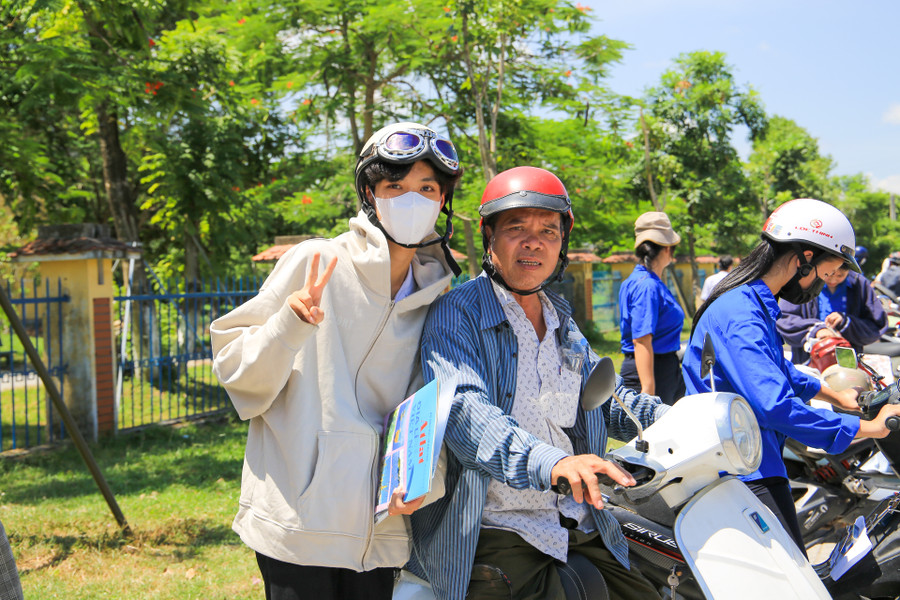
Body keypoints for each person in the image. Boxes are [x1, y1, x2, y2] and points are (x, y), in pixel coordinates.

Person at [210, 121, 462, 600]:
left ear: (442, 200)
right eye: (396, 186)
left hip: (382, 528)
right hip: (298, 524)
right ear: (370, 192)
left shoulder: (441, 295)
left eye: (427, 187)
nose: (413, 198)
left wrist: (423, 483)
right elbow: (238, 375)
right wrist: (289, 325)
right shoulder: (316, 261)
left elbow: (436, 402)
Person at [407, 166, 667, 600]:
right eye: (516, 228)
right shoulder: (458, 314)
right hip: (496, 530)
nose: (534, 242)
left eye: (548, 230)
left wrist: (680, 417)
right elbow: (466, 413)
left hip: (580, 519)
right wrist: (552, 464)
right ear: (489, 236)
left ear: (562, 242)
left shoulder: (561, 320)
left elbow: (604, 401)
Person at [682, 198, 900, 555]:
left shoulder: (753, 302)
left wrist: (832, 394)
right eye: (827, 274)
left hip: (752, 458)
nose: (823, 285)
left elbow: (776, 370)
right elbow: (775, 406)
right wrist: (871, 429)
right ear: (805, 258)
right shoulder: (741, 313)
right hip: (743, 472)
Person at [617, 212, 685, 405]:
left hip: (663, 369)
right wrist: (648, 390)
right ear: (667, 249)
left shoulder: (643, 281)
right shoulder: (647, 285)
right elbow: (641, 340)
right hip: (651, 372)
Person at [777, 263, 887, 364]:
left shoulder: (860, 285)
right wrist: (816, 330)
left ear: (849, 271)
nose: (833, 280)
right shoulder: (803, 282)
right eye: (829, 274)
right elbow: (783, 319)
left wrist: (847, 323)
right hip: (807, 362)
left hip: (848, 364)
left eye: (840, 276)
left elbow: (876, 326)